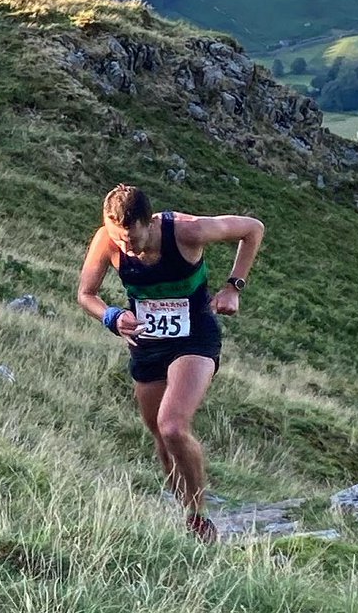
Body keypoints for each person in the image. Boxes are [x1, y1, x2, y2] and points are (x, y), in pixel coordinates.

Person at [77, 184, 264, 543]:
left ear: (150, 222)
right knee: (161, 441)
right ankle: (188, 519)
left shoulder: (187, 231)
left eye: (133, 239)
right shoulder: (108, 240)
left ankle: (199, 514)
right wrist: (111, 317)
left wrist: (233, 287)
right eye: (120, 240)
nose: (126, 247)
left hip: (195, 336)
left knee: (173, 425)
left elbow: (252, 228)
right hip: (148, 343)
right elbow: (86, 294)